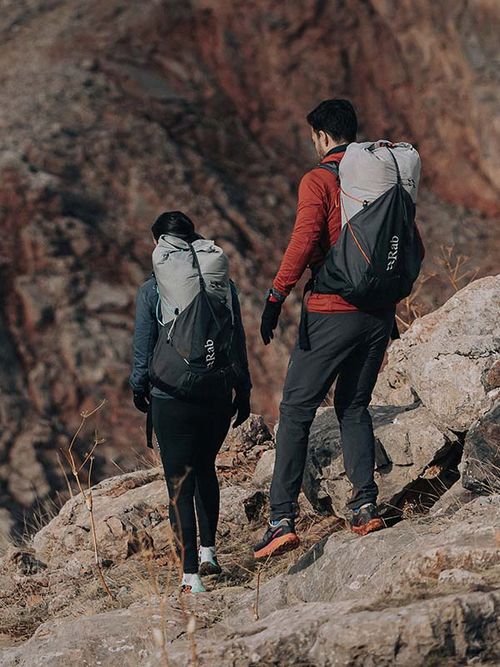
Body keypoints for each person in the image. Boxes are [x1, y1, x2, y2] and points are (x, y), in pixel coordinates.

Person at [254, 99, 406, 559]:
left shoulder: (319, 178)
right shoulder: (383, 177)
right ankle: (365, 506)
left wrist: (276, 296)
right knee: (354, 406)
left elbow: (303, 241)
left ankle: (281, 519)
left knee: (297, 409)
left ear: (320, 136)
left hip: (331, 311)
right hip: (377, 313)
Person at [130, 211, 252, 592]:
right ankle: (209, 553)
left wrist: (139, 387)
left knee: (178, 482)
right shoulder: (222, 285)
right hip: (217, 393)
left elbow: (143, 346)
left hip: (173, 398)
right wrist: (243, 390)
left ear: (159, 245)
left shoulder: (153, 290)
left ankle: (190, 578)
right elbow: (237, 338)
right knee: (205, 470)